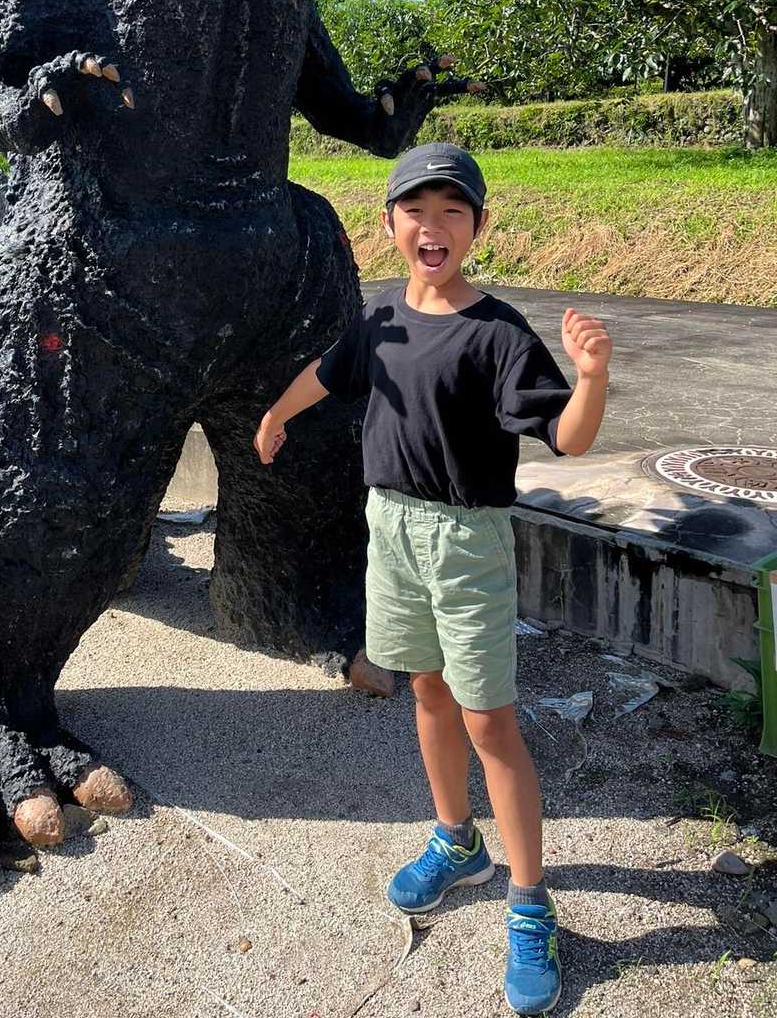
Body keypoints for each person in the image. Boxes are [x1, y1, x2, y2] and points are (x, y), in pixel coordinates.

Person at [253, 141, 612, 1015]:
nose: (433, 226)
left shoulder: (499, 333)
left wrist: (593, 377)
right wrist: (275, 414)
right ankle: (458, 842)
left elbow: (567, 438)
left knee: (490, 719)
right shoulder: (379, 317)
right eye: (416, 210)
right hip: (390, 527)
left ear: (479, 225)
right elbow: (328, 373)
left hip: (466, 542)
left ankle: (530, 904)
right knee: (426, 689)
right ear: (390, 224)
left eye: (453, 210)